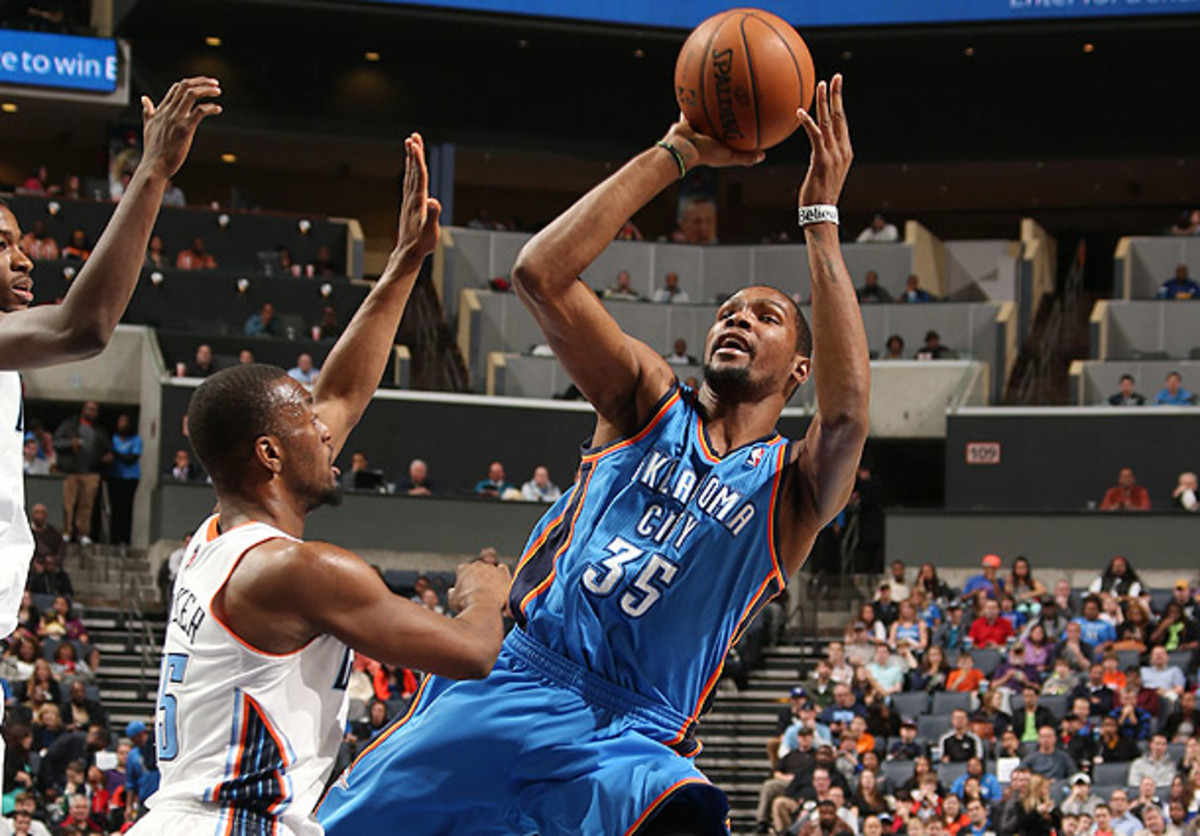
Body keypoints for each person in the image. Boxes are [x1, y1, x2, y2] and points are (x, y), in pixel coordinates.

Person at [319, 76, 868, 836]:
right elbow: (541, 273)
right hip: (521, 679)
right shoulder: (646, 401)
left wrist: (819, 220)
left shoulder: (791, 489)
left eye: (765, 317)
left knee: (687, 816)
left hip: (636, 740)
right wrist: (675, 152)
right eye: (727, 313)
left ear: (799, 368)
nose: (737, 321)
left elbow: (845, 420)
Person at [128, 133, 512, 835]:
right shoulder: (297, 570)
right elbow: (474, 652)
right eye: (308, 422)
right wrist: (485, 597)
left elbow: (340, 393)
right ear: (271, 455)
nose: (329, 430)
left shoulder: (217, 542)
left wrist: (403, 263)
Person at [53, 401, 112, 545]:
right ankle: (66, 532)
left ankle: (83, 533)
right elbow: (56, 442)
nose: (91, 412)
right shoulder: (70, 426)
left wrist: (106, 457)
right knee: (68, 503)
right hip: (71, 471)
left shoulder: (99, 431)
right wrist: (70, 444)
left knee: (87, 505)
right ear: (83, 410)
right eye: (89, 409)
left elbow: (108, 450)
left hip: (91, 472)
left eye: (94, 410)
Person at [107, 413, 141, 546]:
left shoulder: (136, 440)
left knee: (126, 509)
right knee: (115, 509)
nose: (122, 424)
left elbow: (131, 459)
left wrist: (115, 453)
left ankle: (125, 539)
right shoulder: (113, 439)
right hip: (115, 477)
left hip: (130, 478)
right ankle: (113, 538)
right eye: (120, 421)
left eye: (125, 421)